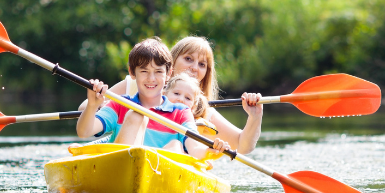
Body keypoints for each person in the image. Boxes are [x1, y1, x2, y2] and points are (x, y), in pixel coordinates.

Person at [87, 36, 263, 154]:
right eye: (188, 59)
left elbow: (242, 145)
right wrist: (112, 106)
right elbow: (84, 108)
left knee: (176, 145)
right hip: (125, 155)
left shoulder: (200, 109)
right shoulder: (136, 84)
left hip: (169, 164)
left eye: (202, 64)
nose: (195, 67)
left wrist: (255, 117)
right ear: (171, 64)